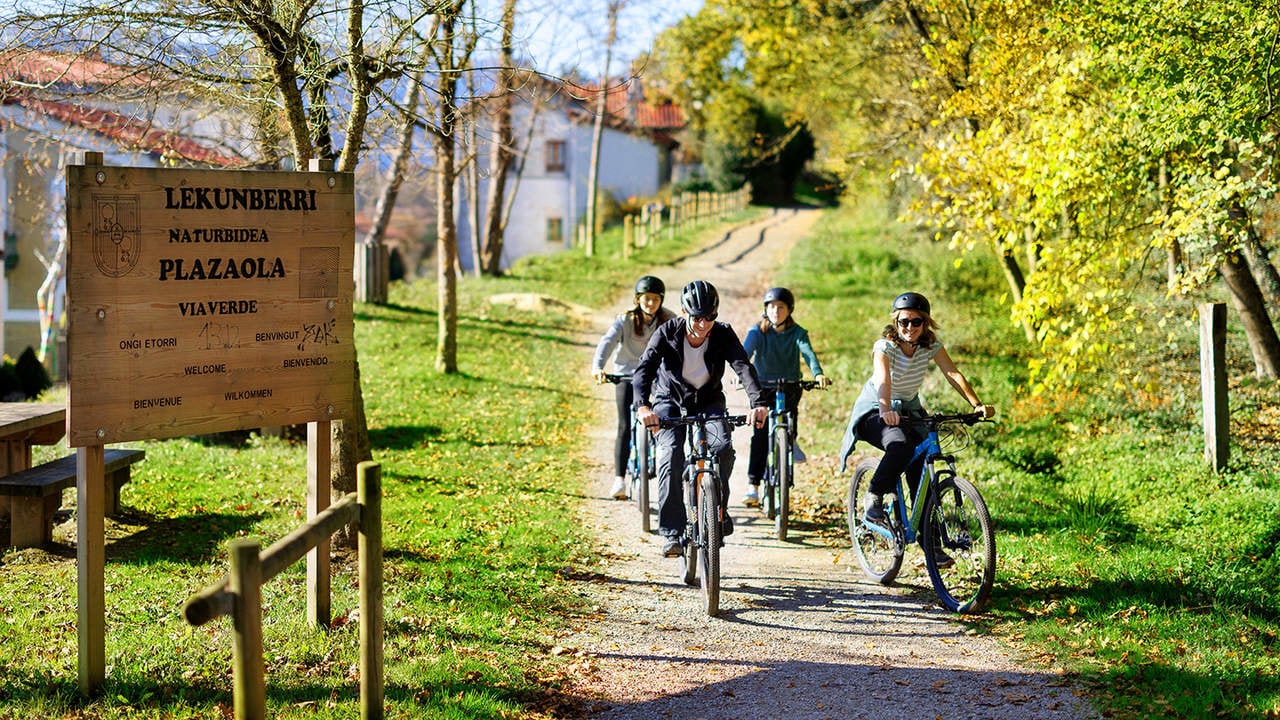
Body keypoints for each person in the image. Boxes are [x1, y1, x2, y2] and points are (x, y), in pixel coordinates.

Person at [837, 292, 994, 562]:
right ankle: (874, 495)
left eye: (916, 322)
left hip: (908, 411)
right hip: (876, 410)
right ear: (896, 322)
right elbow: (883, 379)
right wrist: (885, 408)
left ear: (926, 323)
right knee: (900, 447)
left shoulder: (930, 345)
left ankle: (928, 539)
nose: (909, 328)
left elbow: (953, 373)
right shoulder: (884, 346)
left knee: (921, 462)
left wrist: (976, 404)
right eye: (903, 322)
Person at [633, 280, 769, 557]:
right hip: (668, 401)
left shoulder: (722, 334)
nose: (703, 324)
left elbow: (743, 366)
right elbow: (644, 369)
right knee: (670, 454)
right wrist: (643, 406)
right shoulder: (666, 332)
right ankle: (671, 532)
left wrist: (759, 403)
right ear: (684, 312)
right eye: (697, 317)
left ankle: (718, 512)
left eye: (710, 317)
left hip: (708, 401)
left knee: (722, 450)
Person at [740, 287, 831, 507]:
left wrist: (818, 373)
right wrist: (739, 375)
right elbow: (744, 355)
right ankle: (753, 486)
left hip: (790, 385)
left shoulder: (798, 332)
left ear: (789, 310)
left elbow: (808, 353)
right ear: (766, 309)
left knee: (790, 423)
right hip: (763, 388)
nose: (776, 311)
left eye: (781, 307)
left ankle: (789, 441)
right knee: (760, 435)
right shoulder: (757, 332)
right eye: (771, 307)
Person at [592, 275, 677, 499]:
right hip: (626, 376)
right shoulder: (625, 320)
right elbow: (607, 343)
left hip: (657, 378)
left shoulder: (669, 320)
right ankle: (619, 480)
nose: (651, 304)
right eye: (646, 299)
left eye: (655, 300)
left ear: (661, 300)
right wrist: (597, 367)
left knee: (662, 420)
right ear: (638, 299)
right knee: (624, 426)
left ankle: (660, 462)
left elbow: (679, 349)